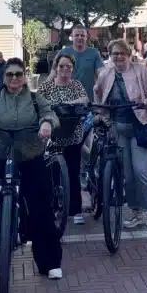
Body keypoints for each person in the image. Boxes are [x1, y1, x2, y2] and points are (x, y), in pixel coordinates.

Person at [0, 58, 63, 279]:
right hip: (3, 155)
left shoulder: (34, 98)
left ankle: (49, 262)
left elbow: (49, 113)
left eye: (18, 74)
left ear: (24, 76)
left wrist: (46, 124)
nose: (14, 78)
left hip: (30, 154)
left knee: (41, 206)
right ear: (4, 78)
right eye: (10, 74)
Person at [93, 38, 147, 236]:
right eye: (114, 54)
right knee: (128, 176)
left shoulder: (141, 71)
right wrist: (98, 113)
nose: (118, 57)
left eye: (121, 53)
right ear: (110, 55)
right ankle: (136, 213)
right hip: (118, 129)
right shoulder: (105, 74)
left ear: (129, 54)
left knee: (142, 171)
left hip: (140, 126)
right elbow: (98, 96)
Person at [39, 49, 88, 224]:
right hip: (52, 136)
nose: (65, 69)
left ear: (72, 68)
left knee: (73, 172)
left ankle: (75, 210)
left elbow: (84, 99)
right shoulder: (47, 86)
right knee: (52, 175)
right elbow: (38, 103)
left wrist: (66, 104)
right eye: (62, 66)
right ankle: (54, 207)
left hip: (73, 135)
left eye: (68, 66)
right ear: (56, 67)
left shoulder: (76, 85)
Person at [69, 24, 104, 101]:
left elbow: (101, 73)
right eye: (77, 35)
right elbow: (53, 73)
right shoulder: (63, 52)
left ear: (86, 36)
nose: (79, 37)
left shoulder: (94, 52)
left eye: (82, 35)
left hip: (89, 99)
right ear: (72, 36)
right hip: (68, 99)